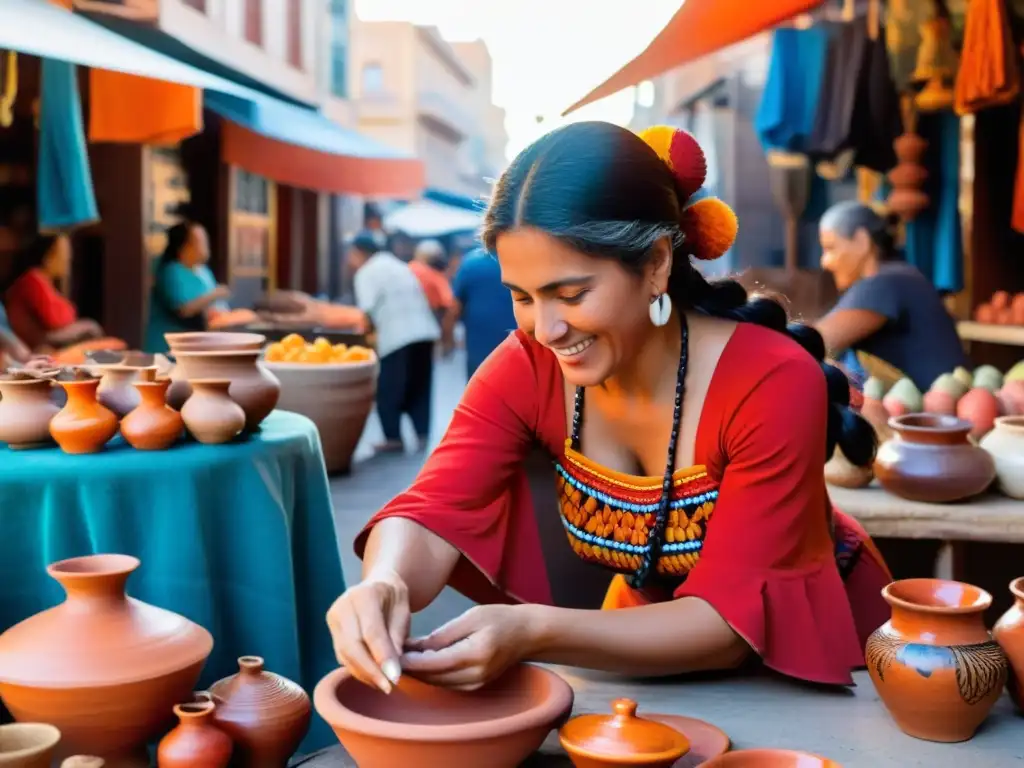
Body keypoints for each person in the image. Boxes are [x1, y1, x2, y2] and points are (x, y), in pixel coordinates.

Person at [327, 122, 891, 696]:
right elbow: (432, 508)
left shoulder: (770, 382)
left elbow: (729, 622)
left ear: (655, 264)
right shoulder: (529, 365)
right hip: (639, 651)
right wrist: (385, 582)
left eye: (570, 295)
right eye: (522, 296)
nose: (546, 329)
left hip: (821, 667)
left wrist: (531, 631)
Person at [816, 201, 968, 390]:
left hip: (929, 411)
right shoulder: (902, 275)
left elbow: (815, 341)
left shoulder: (885, 283)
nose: (824, 262)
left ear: (862, 242)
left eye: (830, 248)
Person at [348, 231, 441, 453]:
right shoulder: (399, 265)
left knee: (389, 388)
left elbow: (366, 311)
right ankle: (421, 433)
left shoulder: (367, 272)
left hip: (397, 335)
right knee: (420, 385)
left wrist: (363, 336)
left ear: (359, 253)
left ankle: (393, 437)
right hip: (424, 332)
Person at [3, 234, 106, 350]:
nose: (68, 259)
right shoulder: (34, 278)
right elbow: (59, 320)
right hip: (40, 340)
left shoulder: (36, 277)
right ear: (49, 254)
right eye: (63, 253)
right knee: (92, 328)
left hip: (39, 338)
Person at [144, 222, 231, 353]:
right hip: (169, 345)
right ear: (184, 246)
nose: (205, 246)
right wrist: (214, 295)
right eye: (199, 241)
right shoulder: (171, 272)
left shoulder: (204, 271)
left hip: (199, 343)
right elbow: (183, 309)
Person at [443, 246, 517, 379]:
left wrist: (448, 339)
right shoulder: (524, 261)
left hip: (479, 352)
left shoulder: (470, 263)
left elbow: (455, 307)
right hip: (519, 348)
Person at [407, 239, 455, 324]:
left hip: (408, 320)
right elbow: (449, 304)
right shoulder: (434, 275)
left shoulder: (407, 269)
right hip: (429, 321)